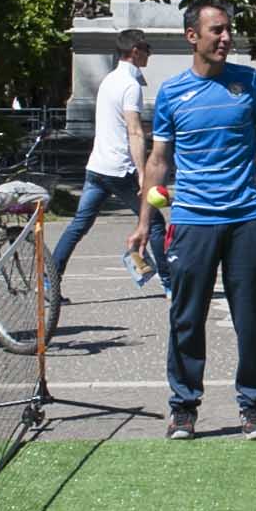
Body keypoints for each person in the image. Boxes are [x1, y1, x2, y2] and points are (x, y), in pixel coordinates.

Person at [133, 0, 256, 438]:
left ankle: (253, 405)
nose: (226, 38)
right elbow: (158, 161)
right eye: (217, 31)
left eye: (228, 30)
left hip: (247, 218)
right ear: (193, 37)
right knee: (186, 317)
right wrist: (143, 222)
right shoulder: (171, 92)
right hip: (191, 220)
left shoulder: (249, 83)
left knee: (251, 318)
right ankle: (184, 406)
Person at [49, 31, 154, 312]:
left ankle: (50, 281)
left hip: (97, 166)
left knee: (78, 225)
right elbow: (133, 129)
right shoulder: (131, 85)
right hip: (120, 168)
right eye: (147, 48)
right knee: (153, 223)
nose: (149, 54)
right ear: (135, 50)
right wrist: (143, 172)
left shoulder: (109, 80)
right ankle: (171, 283)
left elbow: (121, 124)